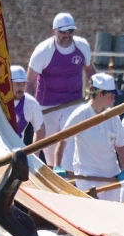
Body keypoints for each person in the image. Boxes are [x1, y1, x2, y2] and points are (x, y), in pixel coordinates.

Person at [27, 12, 95, 167]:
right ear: (54, 31)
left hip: (73, 105)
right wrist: (31, 109)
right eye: (62, 31)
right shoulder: (43, 51)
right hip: (47, 108)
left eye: (70, 31)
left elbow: (91, 73)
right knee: (51, 155)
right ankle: (55, 179)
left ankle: (70, 182)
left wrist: (98, 96)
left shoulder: (82, 46)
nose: (67, 35)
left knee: (69, 149)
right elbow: (29, 83)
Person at [63, 73, 124, 202]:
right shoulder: (81, 114)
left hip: (111, 176)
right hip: (87, 176)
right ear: (100, 95)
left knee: (112, 215)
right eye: (111, 96)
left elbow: (121, 148)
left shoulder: (113, 116)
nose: (113, 100)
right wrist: (56, 166)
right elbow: (62, 141)